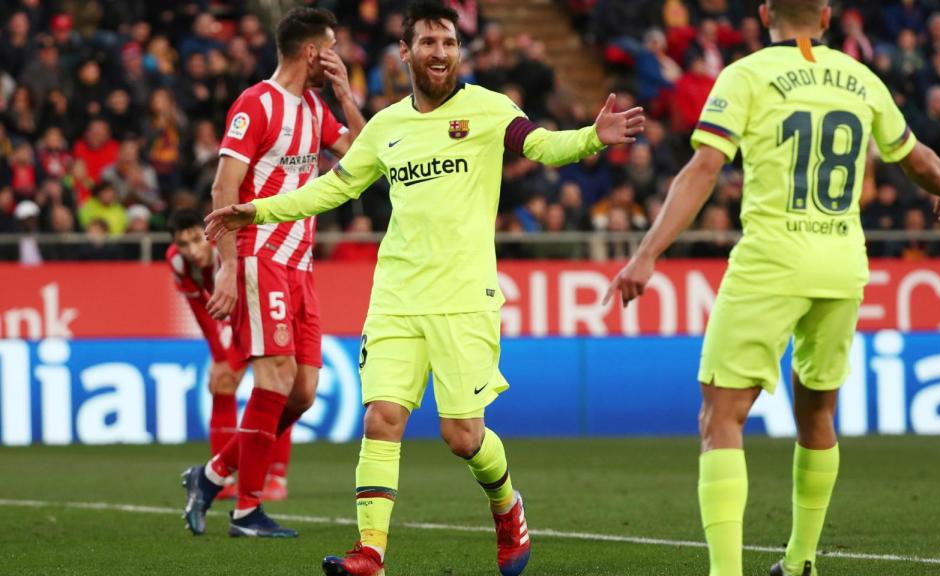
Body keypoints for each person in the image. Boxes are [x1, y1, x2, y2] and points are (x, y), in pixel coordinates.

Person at [204, 1, 643, 572]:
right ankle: (371, 552)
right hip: (396, 298)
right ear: (405, 53)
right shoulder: (385, 127)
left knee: (462, 436)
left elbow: (539, 145)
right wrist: (256, 212)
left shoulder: (487, 108)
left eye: (449, 42)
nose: (440, 52)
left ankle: (507, 507)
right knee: (381, 418)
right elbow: (329, 190)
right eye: (429, 43)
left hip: (464, 298)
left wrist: (591, 137)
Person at [603, 1, 940, 575]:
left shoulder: (746, 75)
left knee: (721, 416)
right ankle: (802, 560)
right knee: (818, 414)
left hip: (773, 260)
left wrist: (646, 254)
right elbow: (914, 157)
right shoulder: (862, 78)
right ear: (826, 16)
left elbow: (703, 169)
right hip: (843, 263)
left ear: (766, 12)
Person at [181, 6, 365, 538]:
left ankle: (212, 475)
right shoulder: (256, 104)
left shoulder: (314, 109)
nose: (336, 58)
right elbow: (223, 189)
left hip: (301, 263)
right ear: (312, 53)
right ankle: (247, 510)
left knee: (302, 393)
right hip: (260, 256)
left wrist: (347, 98)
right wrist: (226, 266)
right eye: (330, 49)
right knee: (276, 377)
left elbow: (366, 154)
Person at [167, 209, 294, 502]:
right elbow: (201, 309)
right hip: (233, 317)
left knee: (278, 389)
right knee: (222, 381)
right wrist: (219, 354)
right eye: (183, 244)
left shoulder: (230, 246)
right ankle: (221, 479)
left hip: (262, 306)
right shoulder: (176, 261)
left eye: (196, 239)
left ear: (208, 233)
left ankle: (276, 477)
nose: (191, 250)